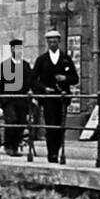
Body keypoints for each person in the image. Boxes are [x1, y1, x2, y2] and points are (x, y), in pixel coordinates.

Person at [31, 29, 78, 164]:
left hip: (62, 98)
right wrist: (44, 88)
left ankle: (57, 150)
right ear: (47, 43)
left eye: (55, 42)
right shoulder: (42, 60)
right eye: (50, 42)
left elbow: (75, 78)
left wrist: (64, 78)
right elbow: (32, 80)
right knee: (51, 126)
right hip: (48, 98)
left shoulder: (66, 59)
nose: (52, 44)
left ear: (59, 42)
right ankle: (51, 154)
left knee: (60, 126)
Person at [0, 38, 31, 157]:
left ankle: (15, 147)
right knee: (12, 121)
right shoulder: (4, 66)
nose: (19, 51)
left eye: (20, 49)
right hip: (8, 100)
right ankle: (8, 146)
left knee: (21, 122)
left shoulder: (25, 66)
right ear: (12, 50)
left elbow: (30, 82)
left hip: (22, 100)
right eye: (16, 49)